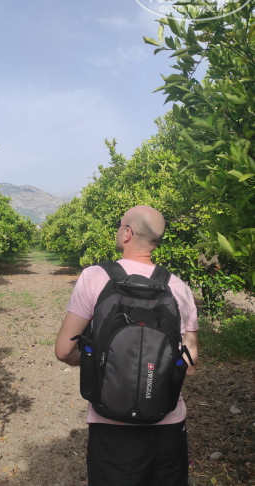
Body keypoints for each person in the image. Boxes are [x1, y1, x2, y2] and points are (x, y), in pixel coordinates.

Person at [55, 205, 198, 486]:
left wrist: (102, 361)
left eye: (120, 226)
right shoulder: (179, 287)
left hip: (111, 425)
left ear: (127, 233)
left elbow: (64, 350)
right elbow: (189, 365)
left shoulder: (95, 277)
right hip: (167, 427)